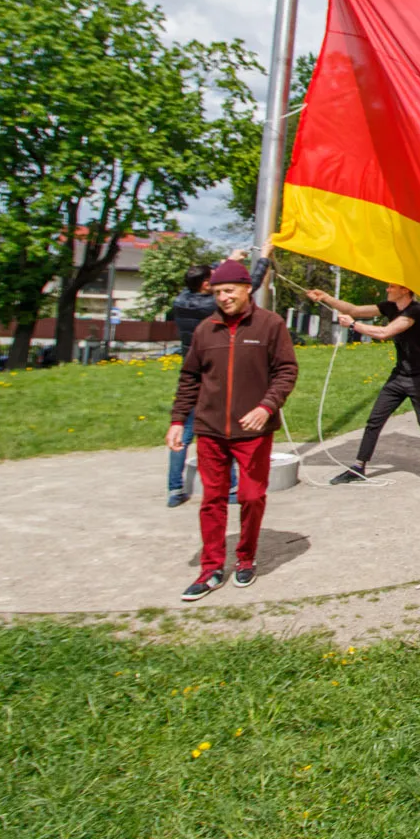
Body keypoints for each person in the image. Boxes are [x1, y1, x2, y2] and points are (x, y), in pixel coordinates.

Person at [165, 256, 297, 601]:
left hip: (254, 431)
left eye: (230, 291)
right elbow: (190, 377)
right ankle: (210, 569)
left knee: (252, 497)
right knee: (213, 499)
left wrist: (266, 406)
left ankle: (246, 558)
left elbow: (286, 371)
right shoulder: (205, 330)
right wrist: (179, 420)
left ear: (246, 289)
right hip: (210, 430)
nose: (223, 298)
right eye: (218, 292)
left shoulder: (270, 325)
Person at [303, 281, 420, 484]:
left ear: (405, 290)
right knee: (374, 420)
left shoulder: (415, 311)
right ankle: (358, 467)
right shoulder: (390, 306)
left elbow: (385, 333)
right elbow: (354, 309)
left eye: (391, 287)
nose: (387, 290)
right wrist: (325, 297)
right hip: (400, 375)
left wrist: (353, 325)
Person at [163, 247, 267, 507]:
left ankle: (175, 489)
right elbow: (250, 285)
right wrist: (263, 256)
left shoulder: (180, 300)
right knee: (224, 431)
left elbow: (205, 282)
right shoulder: (211, 305)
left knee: (184, 436)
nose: (224, 293)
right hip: (213, 374)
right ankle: (231, 487)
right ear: (208, 285)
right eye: (217, 283)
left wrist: (229, 261)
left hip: (192, 371)